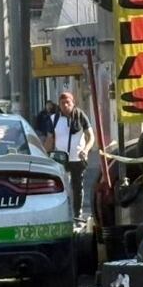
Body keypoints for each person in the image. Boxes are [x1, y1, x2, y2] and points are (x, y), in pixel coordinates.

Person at [45, 91, 95, 219]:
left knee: (77, 187)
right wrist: (45, 155)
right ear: (59, 105)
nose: (65, 105)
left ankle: (77, 213)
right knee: (63, 187)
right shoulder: (53, 119)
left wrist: (86, 149)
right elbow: (50, 139)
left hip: (78, 158)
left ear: (73, 103)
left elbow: (91, 137)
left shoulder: (81, 116)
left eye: (68, 102)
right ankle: (64, 214)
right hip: (60, 160)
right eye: (62, 103)